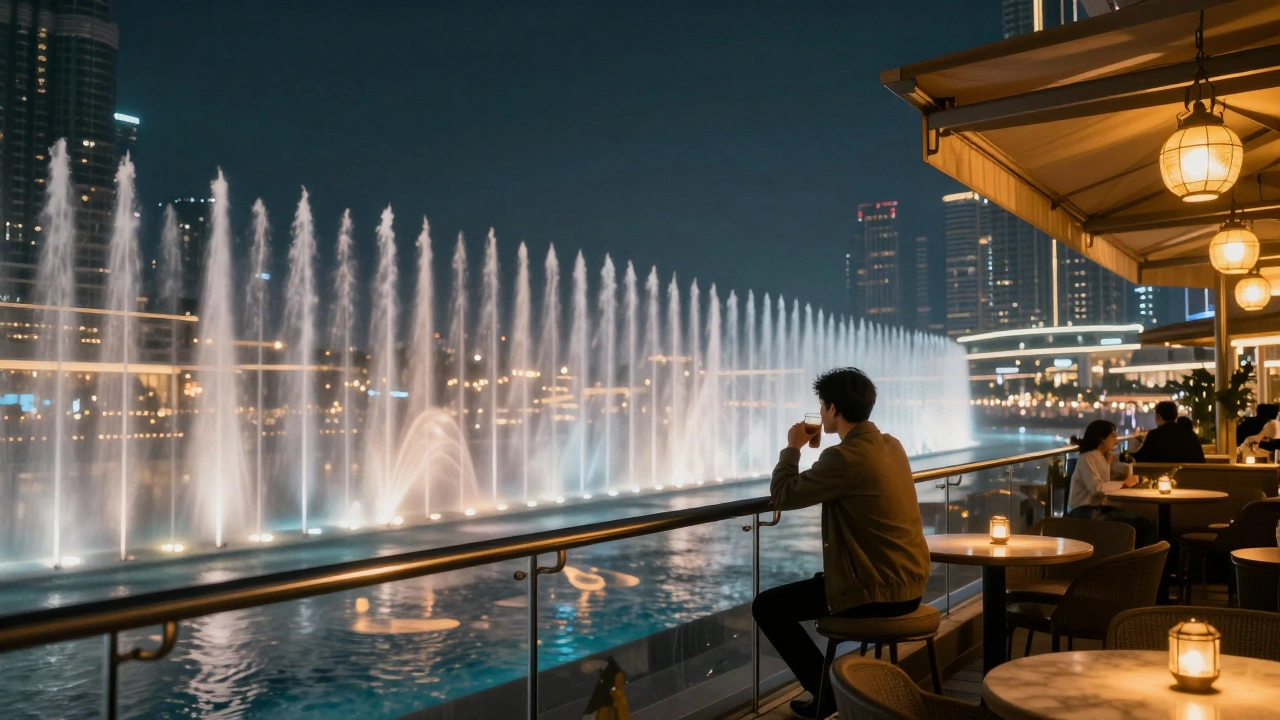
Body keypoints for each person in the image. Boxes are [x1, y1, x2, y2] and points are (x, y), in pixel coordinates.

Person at [752, 368, 930, 719]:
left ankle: (827, 692)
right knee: (819, 585)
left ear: (833, 409)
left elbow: (783, 495)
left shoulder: (843, 458)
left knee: (767, 607)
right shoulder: (892, 445)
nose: (820, 413)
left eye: (822, 405)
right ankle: (827, 691)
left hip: (878, 594)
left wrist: (792, 447)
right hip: (912, 585)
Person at [1067, 420, 1158, 546]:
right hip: (1083, 512)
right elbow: (1097, 488)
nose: (1116, 440)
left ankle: (1136, 559)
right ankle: (1139, 561)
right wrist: (1124, 483)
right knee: (1141, 525)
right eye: (1113, 436)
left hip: (1096, 508)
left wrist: (1120, 467)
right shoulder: (1088, 458)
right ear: (1101, 439)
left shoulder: (1101, 457)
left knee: (1143, 523)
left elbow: (1125, 468)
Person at [1132, 401, 1206, 464]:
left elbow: (1140, 459)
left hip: (1161, 478)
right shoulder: (1190, 435)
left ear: (1158, 417)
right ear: (1176, 416)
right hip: (1191, 479)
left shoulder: (1154, 435)